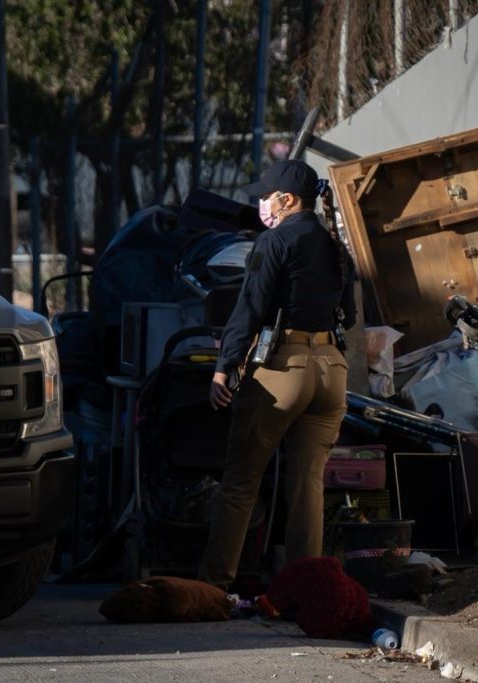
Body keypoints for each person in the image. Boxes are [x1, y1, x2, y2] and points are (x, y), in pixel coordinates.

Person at [198, 158, 357, 590]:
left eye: (267, 196)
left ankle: (215, 585)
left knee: (241, 481)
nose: (263, 204)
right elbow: (352, 314)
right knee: (307, 484)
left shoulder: (275, 243)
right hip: (331, 371)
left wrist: (223, 368)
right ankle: (306, 588)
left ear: (287, 200)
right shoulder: (336, 247)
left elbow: (249, 309)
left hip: (283, 368)